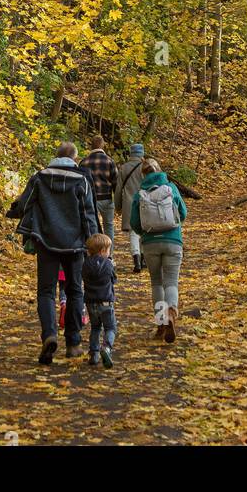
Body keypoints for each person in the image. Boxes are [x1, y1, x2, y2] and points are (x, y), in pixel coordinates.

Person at [8, 141, 98, 365]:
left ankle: (49, 335)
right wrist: (92, 242)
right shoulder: (82, 180)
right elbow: (88, 213)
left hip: (46, 241)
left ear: (56, 156)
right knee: (75, 290)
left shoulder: (40, 177)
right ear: (74, 158)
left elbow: (25, 203)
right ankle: (74, 343)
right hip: (75, 244)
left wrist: (13, 210)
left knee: (46, 291)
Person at [130, 158, 186, 343]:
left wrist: (146, 233)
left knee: (156, 282)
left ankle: (161, 324)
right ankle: (171, 311)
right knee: (171, 281)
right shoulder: (171, 188)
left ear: (143, 175)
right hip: (173, 241)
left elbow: (134, 224)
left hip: (150, 243)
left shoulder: (140, 194)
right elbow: (183, 213)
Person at [82, 232, 117, 367]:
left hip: (91, 302)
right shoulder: (108, 264)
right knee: (110, 328)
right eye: (108, 250)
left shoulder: (85, 264)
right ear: (103, 251)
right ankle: (107, 348)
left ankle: (94, 353)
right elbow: (113, 279)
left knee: (95, 328)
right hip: (106, 302)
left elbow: (83, 277)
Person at [79, 135, 118, 256]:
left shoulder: (84, 162)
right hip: (106, 198)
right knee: (108, 227)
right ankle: (109, 255)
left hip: (89, 200)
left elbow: (80, 182)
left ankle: (93, 253)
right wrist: (116, 201)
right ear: (102, 146)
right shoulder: (109, 161)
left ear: (91, 146)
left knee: (92, 226)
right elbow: (115, 181)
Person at [115, 141, 146, 272]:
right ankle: (143, 258)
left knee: (134, 233)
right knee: (144, 230)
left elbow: (118, 189)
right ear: (142, 153)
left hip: (129, 203)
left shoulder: (124, 168)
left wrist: (118, 206)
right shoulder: (146, 166)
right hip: (146, 202)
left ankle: (136, 260)